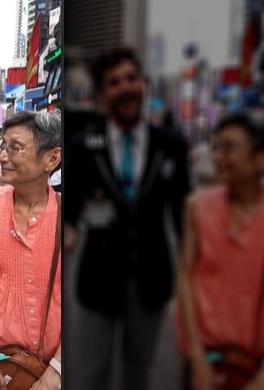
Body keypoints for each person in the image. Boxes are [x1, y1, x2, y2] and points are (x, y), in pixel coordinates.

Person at [64, 46, 191, 390]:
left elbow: (184, 217)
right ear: (103, 94)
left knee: (137, 373)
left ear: (143, 85)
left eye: (131, 79)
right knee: (91, 373)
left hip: (152, 279)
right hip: (97, 278)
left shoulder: (171, 145)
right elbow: (71, 207)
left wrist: (194, 274)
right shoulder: (82, 146)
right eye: (114, 82)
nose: (125, 87)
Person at [0, 111, 63, 390]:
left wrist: (57, 371)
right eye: (2, 146)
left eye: (15, 148)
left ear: (51, 159)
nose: (2, 156)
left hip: (50, 369)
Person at [176, 111, 264, 390]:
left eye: (229, 148)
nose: (217, 157)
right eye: (216, 147)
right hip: (205, 361)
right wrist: (196, 357)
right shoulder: (197, 206)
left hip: (258, 368)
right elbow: (185, 277)